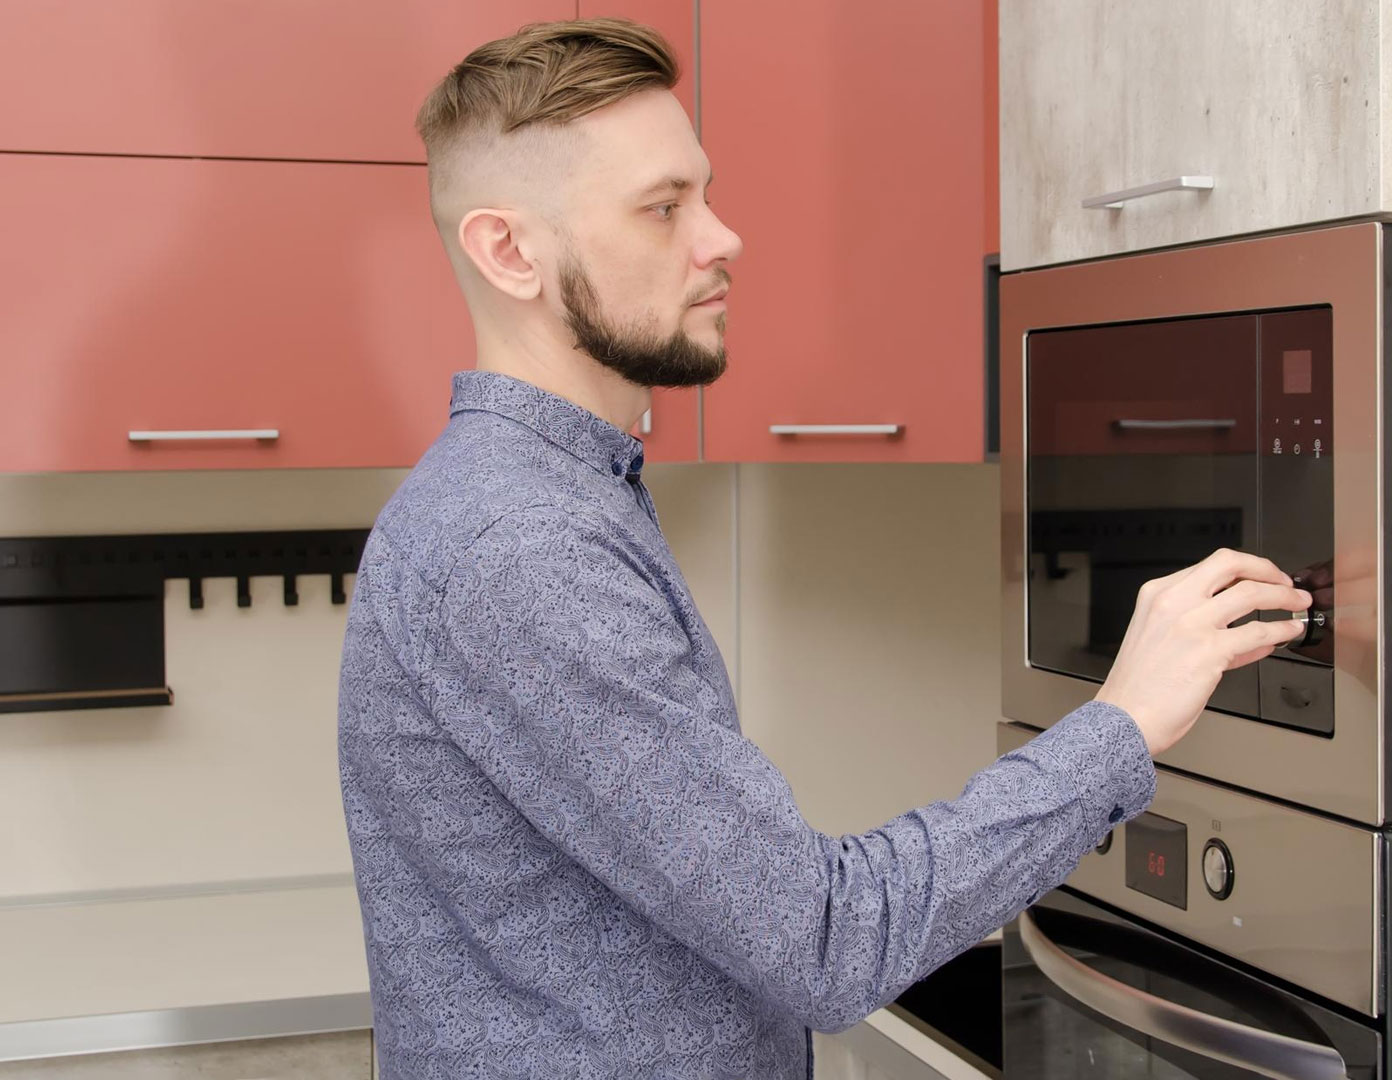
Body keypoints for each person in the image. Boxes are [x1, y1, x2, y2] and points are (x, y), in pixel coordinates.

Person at [336, 18, 1310, 1079]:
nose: (722, 238)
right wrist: (1118, 725)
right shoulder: (521, 546)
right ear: (510, 251)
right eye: (664, 208)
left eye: (704, 193)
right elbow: (825, 942)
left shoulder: (545, 500)